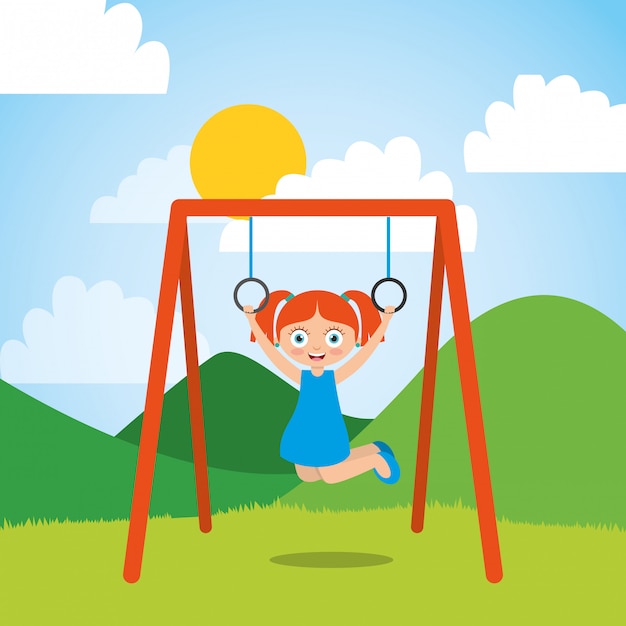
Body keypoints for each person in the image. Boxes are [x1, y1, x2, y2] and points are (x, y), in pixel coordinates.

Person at [242, 288, 400, 485]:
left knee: (331, 476)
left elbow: (364, 354)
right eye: (299, 338)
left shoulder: (332, 377)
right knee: (307, 476)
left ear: (355, 338)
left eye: (333, 338)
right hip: (303, 428)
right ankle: (374, 449)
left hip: (327, 429)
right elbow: (271, 353)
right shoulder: (303, 376)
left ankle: (376, 460)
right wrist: (252, 321)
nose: (316, 347)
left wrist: (385, 322)